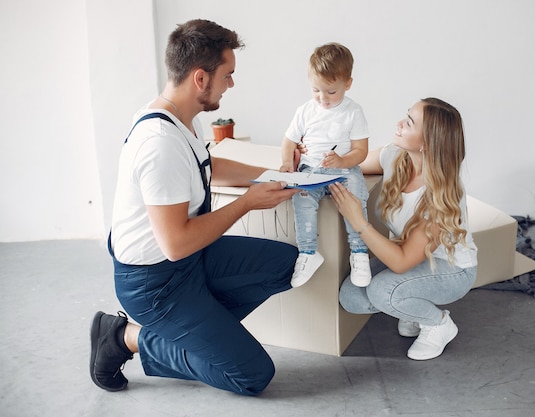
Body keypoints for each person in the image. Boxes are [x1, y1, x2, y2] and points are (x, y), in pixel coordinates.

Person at [89, 19, 300, 396]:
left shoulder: (181, 119)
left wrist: (266, 175)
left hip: (189, 262)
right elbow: (176, 243)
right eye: (228, 75)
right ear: (201, 79)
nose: (231, 84)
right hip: (155, 282)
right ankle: (126, 337)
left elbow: (207, 165)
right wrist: (250, 203)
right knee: (251, 375)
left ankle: (203, 333)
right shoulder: (159, 142)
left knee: (285, 264)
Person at [328, 98, 478, 360]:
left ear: (427, 143)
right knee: (351, 296)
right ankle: (411, 308)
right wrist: (320, 160)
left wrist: (357, 220)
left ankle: (439, 324)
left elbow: (401, 263)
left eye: (409, 122)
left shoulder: (441, 197)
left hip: (451, 270)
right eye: (405, 116)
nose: (399, 123)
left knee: (382, 291)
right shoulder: (395, 157)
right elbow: (352, 164)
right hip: (410, 254)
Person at [279, 42, 371, 288]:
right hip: (311, 170)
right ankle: (308, 253)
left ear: (347, 84)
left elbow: (361, 151)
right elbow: (288, 140)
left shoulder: (353, 112)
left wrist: (342, 160)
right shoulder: (305, 111)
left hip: (344, 170)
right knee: (302, 197)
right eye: (316, 90)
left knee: (356, 194)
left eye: (331, 92)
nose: (323, 98)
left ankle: (359, 252)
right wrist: (288, 162)